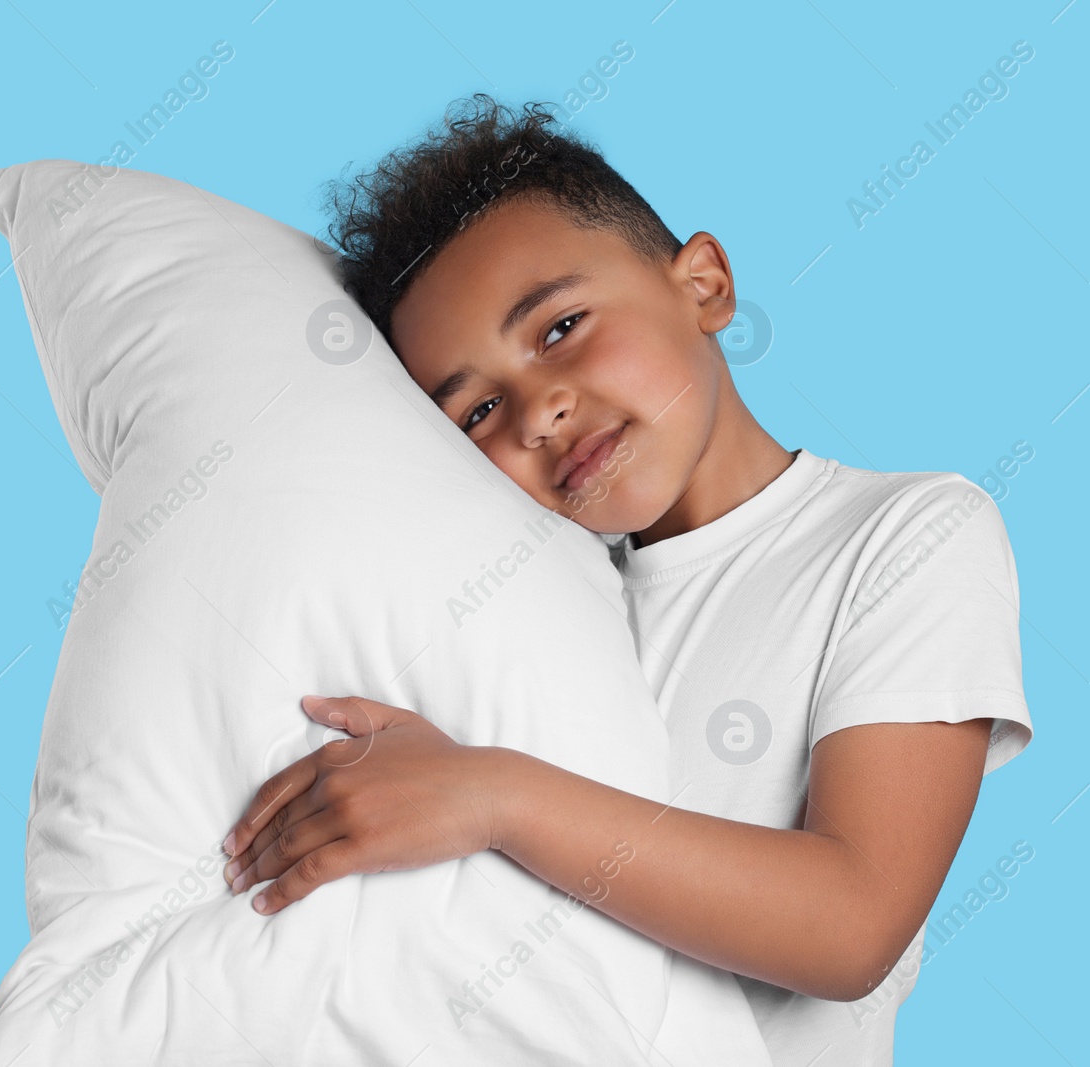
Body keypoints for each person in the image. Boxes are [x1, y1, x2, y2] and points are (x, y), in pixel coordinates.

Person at [220, 94, 1033, 1065]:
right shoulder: (520, 606)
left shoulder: (900, 534)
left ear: (705, 284)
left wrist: (490, 794)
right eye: (476, 411)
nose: (540, 412)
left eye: (560, 326)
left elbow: (851, 922)